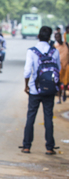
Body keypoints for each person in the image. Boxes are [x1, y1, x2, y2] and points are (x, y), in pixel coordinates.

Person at [21, 26, 61, 155]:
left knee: (31, 117)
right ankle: (49, 147)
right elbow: (58, 69)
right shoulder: (54, 51)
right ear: (49, 38)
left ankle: (26, 146)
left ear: (38, 36)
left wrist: (27, 85)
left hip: (35, 89)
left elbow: (27, 71)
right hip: (49, 90)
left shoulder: (32, 51)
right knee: (48, 117)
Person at [54, 31, 69, 103]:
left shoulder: (66, 44)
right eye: (56, 37)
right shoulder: (55, 46)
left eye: (59, 37)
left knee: (66, 82)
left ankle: (64, 93)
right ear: (55, 38)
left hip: (66, 67)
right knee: (58, 83)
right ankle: (59, 98)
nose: (58, 38)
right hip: (58, 67)